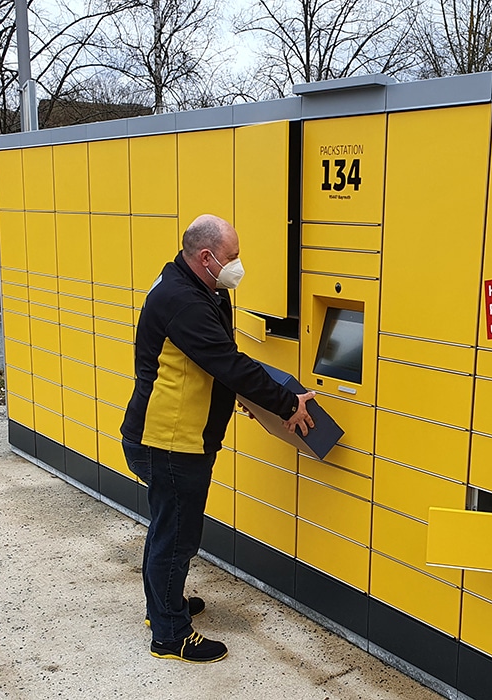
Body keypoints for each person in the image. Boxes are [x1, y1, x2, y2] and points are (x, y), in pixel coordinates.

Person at [121, 214, 315, 664]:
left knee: (168, 528)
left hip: (176, 434)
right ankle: (170, 635)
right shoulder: (182, 300)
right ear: (205, 257)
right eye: (231, 257)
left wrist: (245, 397)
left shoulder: (195, 286)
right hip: (171, 440)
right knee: (178, 536)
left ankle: (163, 607)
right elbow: (227, 362)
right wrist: (286, 403)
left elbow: (212, 364)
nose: (237, 265)